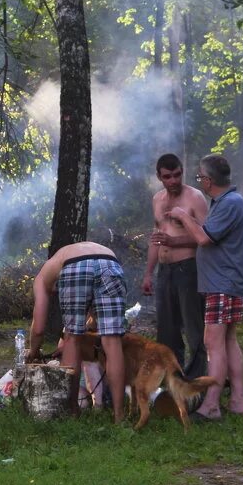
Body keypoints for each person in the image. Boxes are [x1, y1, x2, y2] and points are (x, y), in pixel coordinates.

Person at [167, 154, 243, 421]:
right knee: (228, 340)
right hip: (228, 282)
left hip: (222, 284)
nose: (199, 180)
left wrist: (182, 215)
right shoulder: (227, 202)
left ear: (209, 180)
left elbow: (203, 238)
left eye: (200, 176)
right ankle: (237, 400)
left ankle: (211, 405)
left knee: (212, 343)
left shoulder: (229, 204)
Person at [27, 241, 127, 423]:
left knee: (73, 338)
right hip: (111, 262)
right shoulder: (68, 253)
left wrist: (33, 352)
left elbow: (39, 328)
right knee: (112, 341)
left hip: (76, 265)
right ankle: (119, 416)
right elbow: (95, 320)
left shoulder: (41, 278)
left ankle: (71, 411)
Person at [144, 153, 209, 379]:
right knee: (166, 330)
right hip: (165, 271)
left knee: (194, 329)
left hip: (188, 268)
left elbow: (207, 237)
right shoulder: (157, 199)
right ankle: (173, 378)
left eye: (177, 175)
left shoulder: (195, 197)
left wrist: (175, 241)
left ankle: (199, 379)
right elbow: (157, 237)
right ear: (159, 177)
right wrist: (148, 274)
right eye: (167, 176)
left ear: (183, 171)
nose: (173, 181)